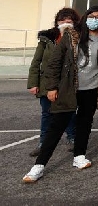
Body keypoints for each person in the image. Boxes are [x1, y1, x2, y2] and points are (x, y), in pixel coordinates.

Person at [23, 6, 98, 183]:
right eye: (91, 16)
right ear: (85, 18)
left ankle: (79, 155)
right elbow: (54, 63)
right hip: (69, 88)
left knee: (84, 122)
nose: (94, 20)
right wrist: (52, 87)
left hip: (92, 89)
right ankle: (39, 165)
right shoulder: (71, 36)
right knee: (57, 125)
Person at [26, 8, 80, 158]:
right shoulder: (47, 39)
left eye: (69, 21)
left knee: (69, 113)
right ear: (57, 22)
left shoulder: (78, 38)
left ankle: (72, 138)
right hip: (47, 83)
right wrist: (33, 83)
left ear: (74, 22)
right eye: (62, 21)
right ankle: (43, 143)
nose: (65, 23)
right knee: (47, 114)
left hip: (68, 84)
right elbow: (36, 62)